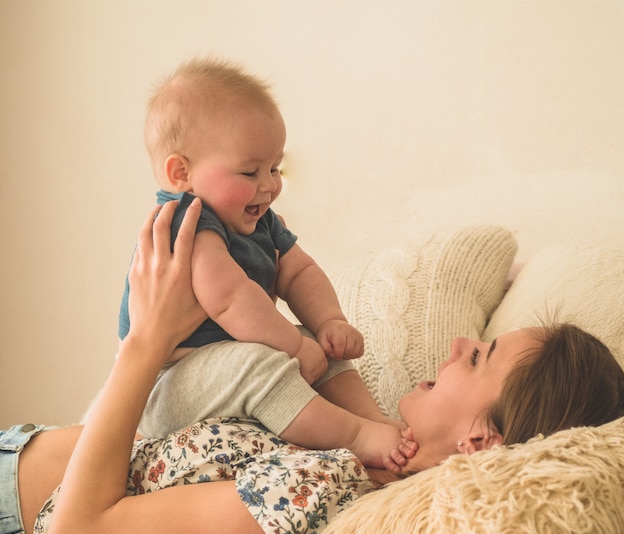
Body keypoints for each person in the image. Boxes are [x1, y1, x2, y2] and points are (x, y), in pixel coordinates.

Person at [6, 201, 624, 534]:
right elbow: (318, 354)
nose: (460, 343)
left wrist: (144, 344)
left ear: (480, 442)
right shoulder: (369, 442)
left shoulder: (321, 490)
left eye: (479, 359)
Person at [111, 57, 412, 470]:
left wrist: (329, 322)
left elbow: (299, 270)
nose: (269, 185)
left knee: (316, 342)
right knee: (264, 361)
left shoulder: (259, 220)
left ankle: (371, 419)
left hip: (224, 361)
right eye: (250, 171)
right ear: (182, 172)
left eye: (275, 167)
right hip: (167, 383)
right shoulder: (187, 223)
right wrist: (292, 348)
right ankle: (355, 437)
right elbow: (231, 300)